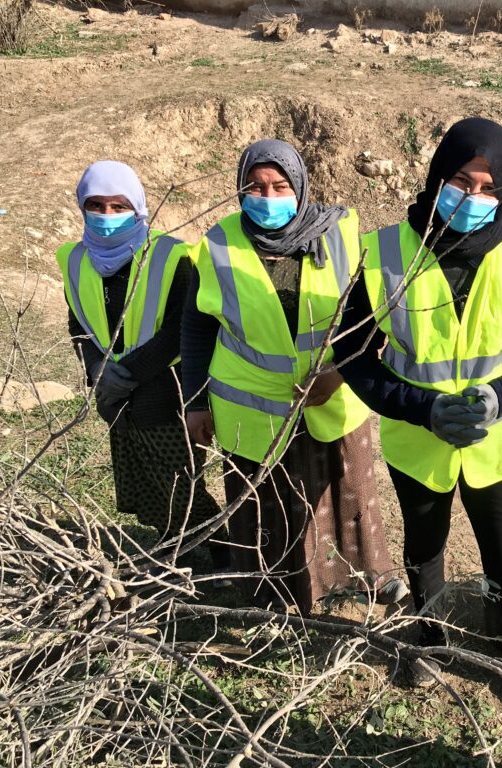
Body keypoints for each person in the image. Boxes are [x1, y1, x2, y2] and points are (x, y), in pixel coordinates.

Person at [335, 117, 502, 720]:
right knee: (425, 551)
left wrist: (501, 397)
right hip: (420, 441)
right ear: (438, 175)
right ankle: (430, 639)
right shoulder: (385, 253)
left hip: (500, 442)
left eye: (489, 188)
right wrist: (424, 407)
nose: (473, 197)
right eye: (461, 180)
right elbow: (355, 355)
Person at [181, 139, 407, 612]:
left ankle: (357, 582)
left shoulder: (342, 233)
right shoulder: (218, 244)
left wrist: (340, 372)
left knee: (346, 495)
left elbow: (368, 317)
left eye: (280, 186)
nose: (267, 198)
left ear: (301, 187)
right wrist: (196, 401)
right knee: (266, 502)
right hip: (252, 403)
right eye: (255, 188)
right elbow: (199, 329)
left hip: (331, 395)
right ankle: (273, 592)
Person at [56, 160, 227, 573]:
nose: (107, 216)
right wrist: (97, 369)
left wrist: (127, 372)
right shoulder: (76, 260)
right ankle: (175, 547)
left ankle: (226, 549)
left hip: (167, 389)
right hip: (116, 397)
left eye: (119, 206)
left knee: (179, 482)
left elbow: (180, 328)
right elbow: (79, 321)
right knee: (143, 481)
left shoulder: (171, 257)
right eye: (96, 205)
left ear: (138, 207)